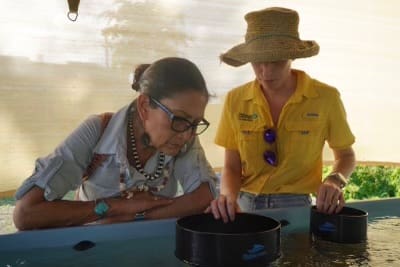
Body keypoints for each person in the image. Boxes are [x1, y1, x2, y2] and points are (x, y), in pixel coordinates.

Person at [13, 57, 217, 230]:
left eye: (196, 123)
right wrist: (114, 207)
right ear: (145, 105)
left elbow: (204, 196)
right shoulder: (97, 131)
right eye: (179, 119)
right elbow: (26, 214)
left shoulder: (183, 134)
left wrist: (137, 216)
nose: (188, 135)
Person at [207, 7, 356, 222]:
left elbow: (346, 156)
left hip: (297, 205)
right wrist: (228, 198)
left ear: (292, 56)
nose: (265, 71)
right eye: (257, 61)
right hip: (245, 203)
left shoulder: (325, 98)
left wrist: (334, 181)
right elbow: (232, 165)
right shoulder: (235, 99)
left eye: (276, 60)